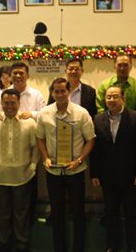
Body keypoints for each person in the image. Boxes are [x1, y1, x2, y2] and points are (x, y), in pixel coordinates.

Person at [37, 77, 95, 252]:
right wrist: (45, 157)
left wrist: (79, 160)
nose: (60, 94)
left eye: (63, 90)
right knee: (57, 213)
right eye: (56, 91)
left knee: (78, 213)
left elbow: (91, 140)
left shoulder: (81, 113)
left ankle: (79, 248)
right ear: (52, 93)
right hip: (53, 172)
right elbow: (40, 138)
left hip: (75, 171)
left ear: (69, 91)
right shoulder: (44, 113)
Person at [90, 86, 136, 252]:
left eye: (115, 96)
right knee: (110, 212)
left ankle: (131, 247)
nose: (112, 100)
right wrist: (94, 173)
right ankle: (112, 246)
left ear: (123, 98)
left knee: (131, 212)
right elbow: (96, 150)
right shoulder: (98, 119)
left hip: (130, 175)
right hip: (107, 176)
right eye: (109, 97)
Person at [0, 89, 39, 252]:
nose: (9, 106)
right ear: (2, 103)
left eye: (13, 102)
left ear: (19, 103)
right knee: (3, 215)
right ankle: (4, 245)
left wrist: (33, 165)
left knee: (21, 215)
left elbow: (36, 146)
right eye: (6, 103)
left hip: (23, 177)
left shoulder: (29, 123)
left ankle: (22, 245)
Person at [96, 55, 136, 120]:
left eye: (125, 65)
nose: (122, 68)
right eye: (119, 65)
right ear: (114, 66)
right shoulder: (104, 85)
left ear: (131, 67)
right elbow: (100, 109)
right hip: (109, 124)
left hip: (132, 125)